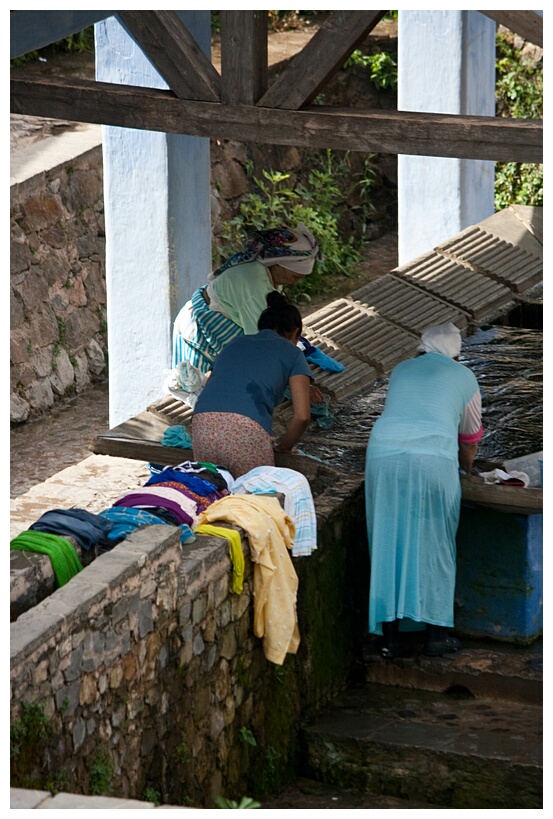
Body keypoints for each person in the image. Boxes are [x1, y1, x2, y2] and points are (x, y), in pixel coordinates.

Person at [364, 323, 483, 659]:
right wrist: (468, 470)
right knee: (436, 542)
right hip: (433, 458)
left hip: (383, 455)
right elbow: (470, 438)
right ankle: (436, 635)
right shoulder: (464, 376)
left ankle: (388, 639)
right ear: (456, 353)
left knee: (387, 541)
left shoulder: (402, 369)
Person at [170, 224, 344, 401]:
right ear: (278, 264)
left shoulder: (265, 270)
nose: (296, 282)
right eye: (295, 276)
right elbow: (261, 346)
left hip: (220, 317)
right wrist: (296, 387)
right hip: (198, 332)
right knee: (196, 389)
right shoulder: (253, 285)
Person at [191, 290, 314, 479]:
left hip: (203, 425)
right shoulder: (293, 352)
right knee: (255, 501)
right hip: (245, 431)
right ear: (296, 332)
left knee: (214, 495)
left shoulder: (233, 344)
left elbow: (211, 386)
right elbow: (303, 416)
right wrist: (284, 448)